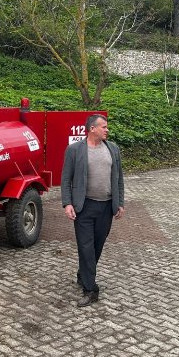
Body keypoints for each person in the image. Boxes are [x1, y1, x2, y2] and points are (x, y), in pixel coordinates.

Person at [61, 114, 125, 307]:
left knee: (97, 246)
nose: (107, 130)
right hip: (84, 206)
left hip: (106, 206)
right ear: (92, 129)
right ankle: (90, 289)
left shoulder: (112, 149)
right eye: (103, 127)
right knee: (85, 246)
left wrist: (120, 202)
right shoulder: (74, 150)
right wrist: (67, 203)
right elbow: (66, 179)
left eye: (107, 127)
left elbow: (119, 178)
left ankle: (83, 274)